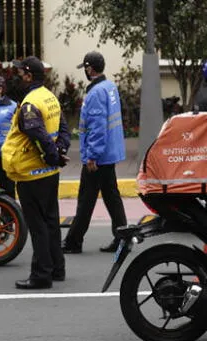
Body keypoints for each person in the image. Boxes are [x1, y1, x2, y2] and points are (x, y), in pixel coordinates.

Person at [1, 56, 71, 290]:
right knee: (51, 221)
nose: (17, 78)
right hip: (49, 172)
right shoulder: (49, 97)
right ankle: (57, 268)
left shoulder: (30, 102)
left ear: (29, 75)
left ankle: (41, 275)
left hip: (32, 173)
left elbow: (37, 134)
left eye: (20, 74)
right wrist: (60, 153)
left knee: (38, 226)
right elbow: (63, 128)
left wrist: (53, 155)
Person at [62, 51, 127, 254]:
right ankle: (123, 238)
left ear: (90, 69)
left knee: (86, 199)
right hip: (109, 153)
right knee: (111, 196)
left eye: (86, 68)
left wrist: (92, 155)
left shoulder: (96, 92)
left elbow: (98, 127)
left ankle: (73, 241)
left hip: (98, 156)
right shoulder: (109, 87)